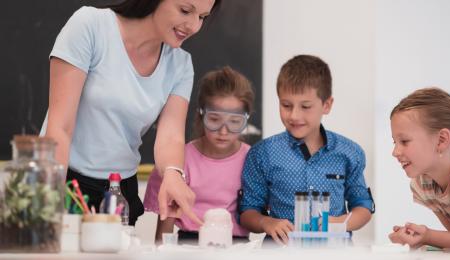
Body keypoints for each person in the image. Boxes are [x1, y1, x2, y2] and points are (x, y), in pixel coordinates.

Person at [41, 0, 221, 226]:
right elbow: (60, 128)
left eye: (202, 17)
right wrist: (50, 200)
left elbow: (170, 137)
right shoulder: (90, 26)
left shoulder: (181, 65)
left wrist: (174, 175)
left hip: (120, 190)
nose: (193, 26)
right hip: (66, 180)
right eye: (185, 11)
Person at [239, 55, 375, 244]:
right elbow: (247, 212)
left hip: (334, 254)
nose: (294, 115)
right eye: (286, 105)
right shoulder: (262, 153)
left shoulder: (349, 152)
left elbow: (363, 207)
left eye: (305, 106)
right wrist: (266, 222)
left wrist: (336, 222)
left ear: (326, 105)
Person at [143, 66, 254, 243]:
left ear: (246, 119)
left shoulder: (254, 160)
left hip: (237, 247)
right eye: (215, 119)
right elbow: (164, 230)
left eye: (234, 122)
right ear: (201, 115)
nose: (223, 131)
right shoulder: (176, 161)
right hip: (189, 245)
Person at [389, 87, 450, 249]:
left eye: (404, 141)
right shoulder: (422, 185)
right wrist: (422, 237)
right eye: (394, 142)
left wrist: (428, 236)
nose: (395, 152)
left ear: (441, 140)